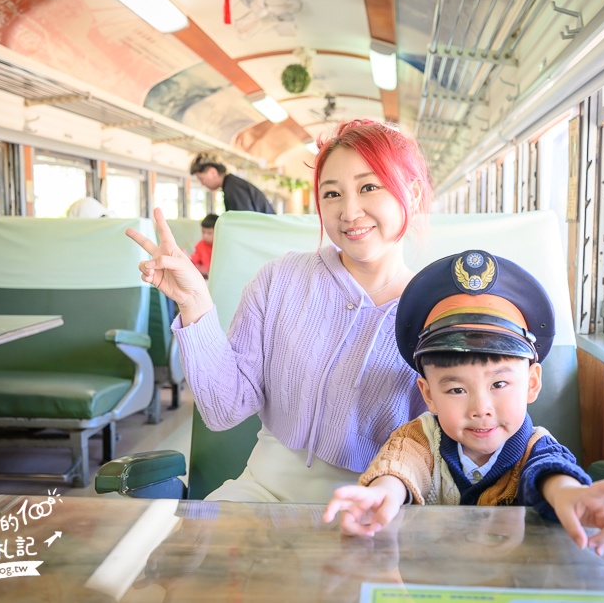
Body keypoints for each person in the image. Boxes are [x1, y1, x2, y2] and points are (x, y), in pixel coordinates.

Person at [126, 120, 433, 502]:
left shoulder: (437, 309)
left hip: (378, 506)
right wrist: (193, 301)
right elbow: (224, 409)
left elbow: (448, 442)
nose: (349, 211)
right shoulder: (281, 279)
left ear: (413, 193)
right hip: (261, 492)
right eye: (332, 193)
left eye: (369, 187)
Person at [323, 250, 604, 555]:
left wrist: (570, 495)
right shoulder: (419, 439)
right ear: (428, 395)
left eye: (499, 384)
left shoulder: (536, 447)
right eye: (456, 390)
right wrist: (384, 493)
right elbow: (400, 468)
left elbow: (551, 474)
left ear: (532, 383)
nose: (480, 408)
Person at [190, 154, 276, 214]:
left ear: (213, 172)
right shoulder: (232, 184)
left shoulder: (233, 189)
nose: (202, 183)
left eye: (201, 179)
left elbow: (242, 222)